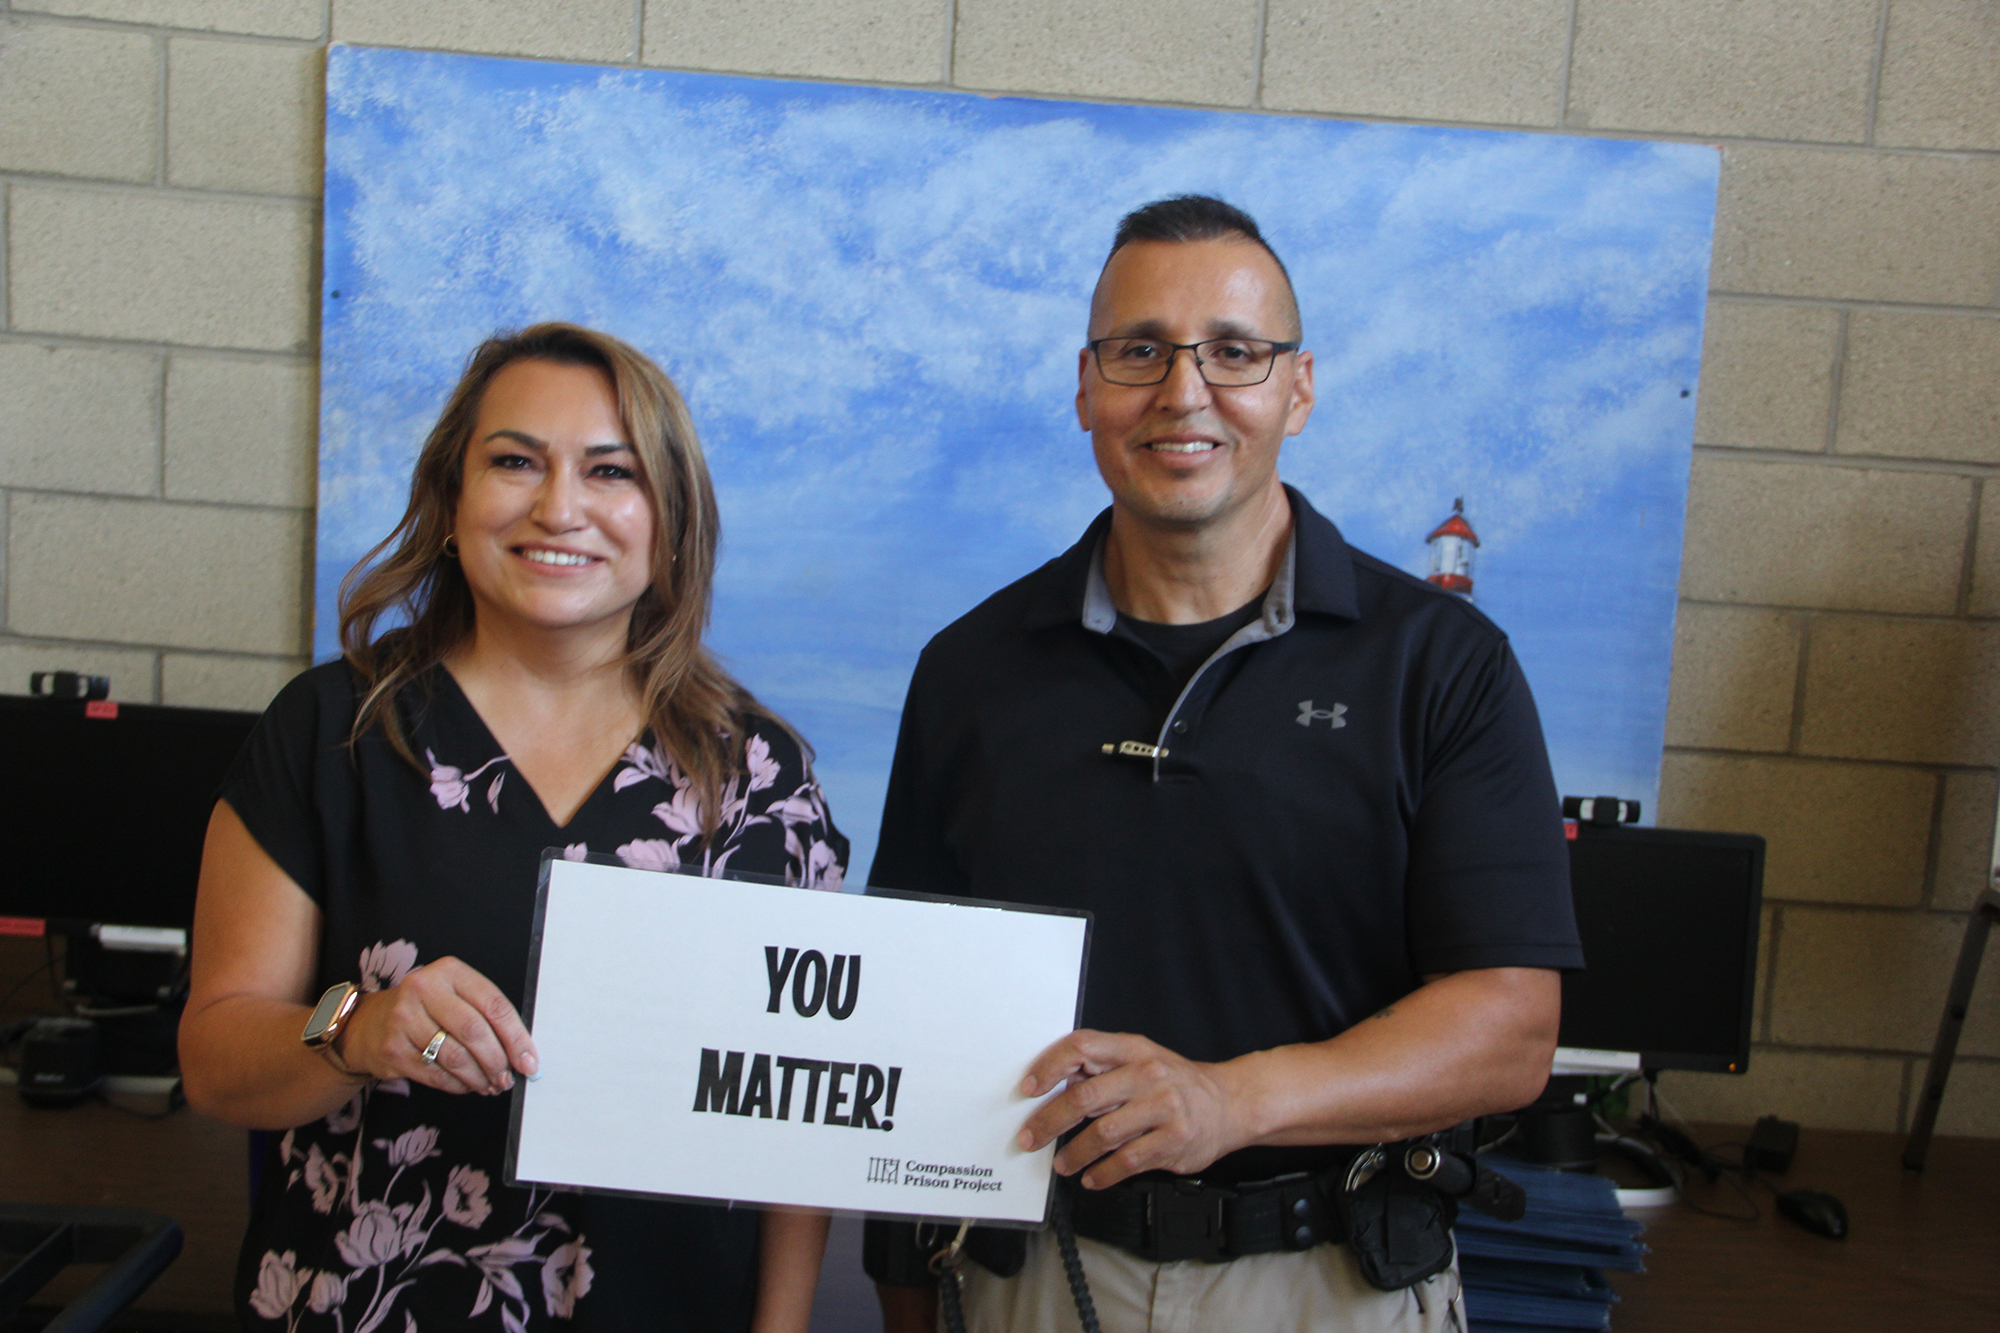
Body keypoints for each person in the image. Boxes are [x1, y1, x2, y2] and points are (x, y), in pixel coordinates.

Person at [863, 197, 1583, 1332]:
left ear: (1297, 389)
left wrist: (1228, 1100)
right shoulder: (968, 672)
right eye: (1137, 350)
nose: (1181, 391)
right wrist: (905, 1303)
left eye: (1233, 353)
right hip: (1032, 1282)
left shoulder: (1444, 665)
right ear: (1085, 386)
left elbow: (1509, 1031)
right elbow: (904, 1019)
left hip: (1330, 1285)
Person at [180, 323, 846, 1332]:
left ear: (668, 520)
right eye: (514, 461)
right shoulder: (331, 732)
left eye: (609, 470)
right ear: (453, 501)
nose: (559, 507)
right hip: (368, 1303)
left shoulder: (760, 775)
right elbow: (217, 1052)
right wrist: (354, 1026)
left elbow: (800, 1116)